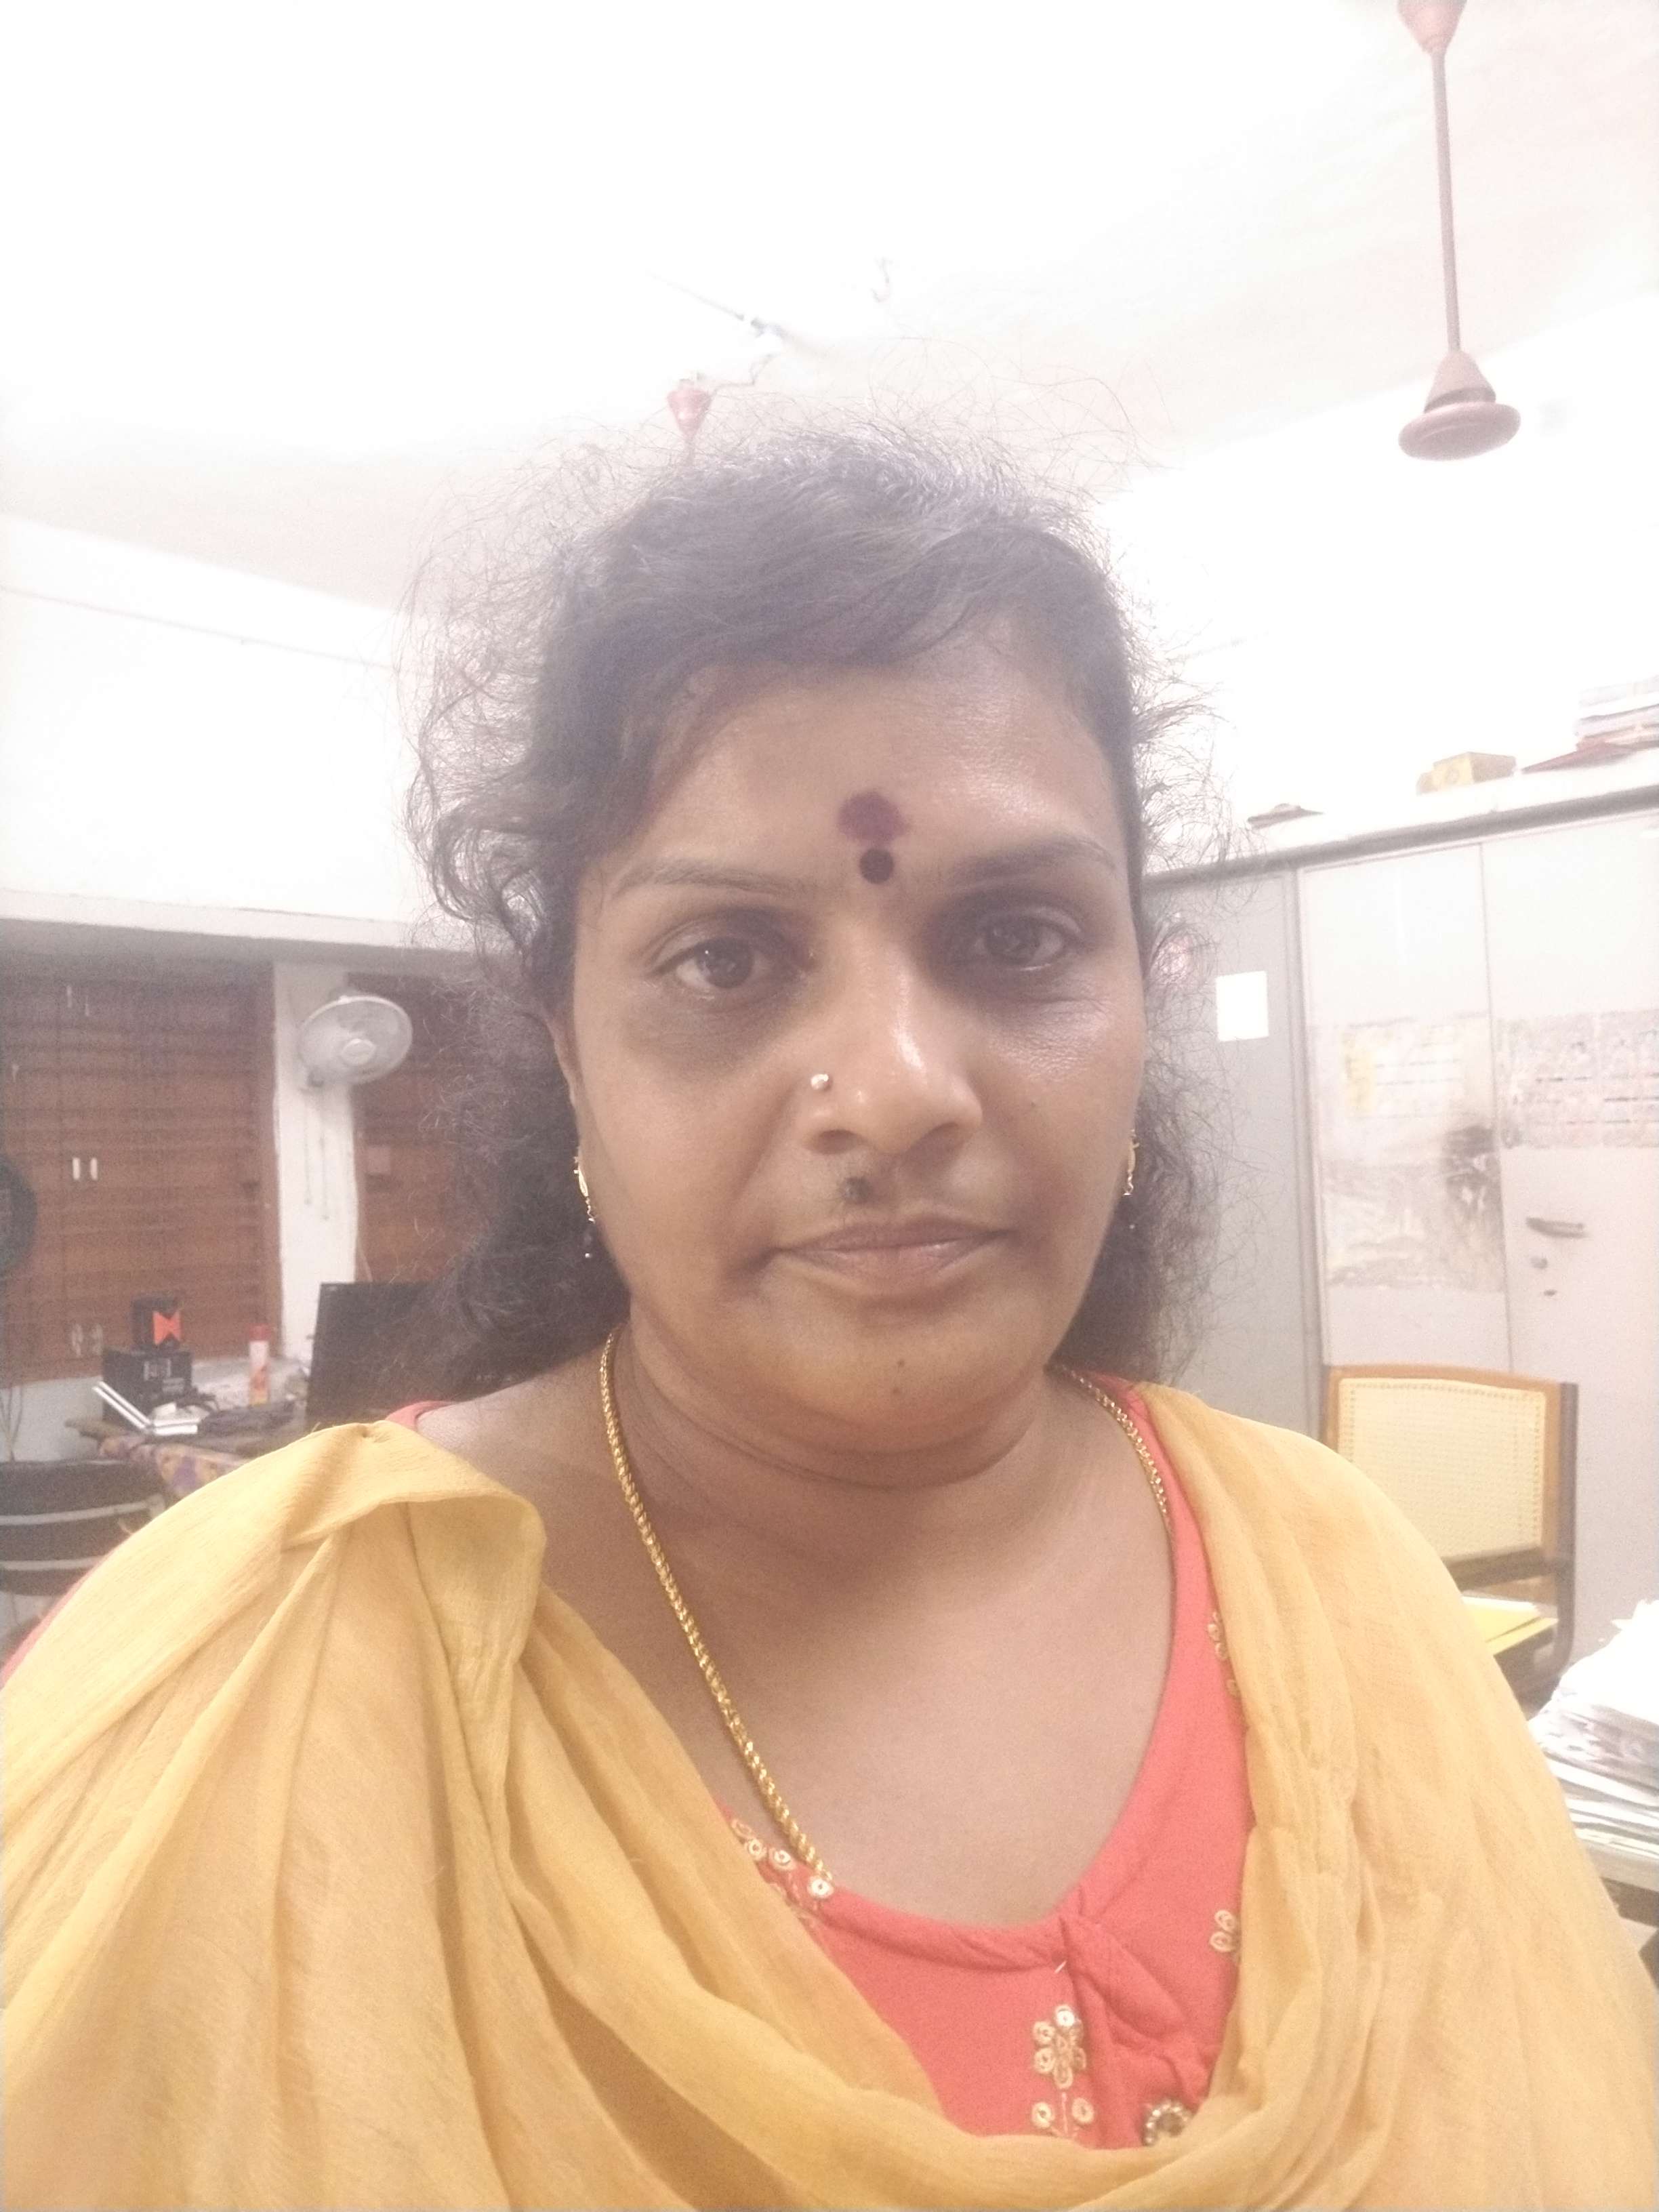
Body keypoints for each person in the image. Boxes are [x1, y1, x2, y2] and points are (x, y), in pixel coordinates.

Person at [3, 419, 1652, 2211]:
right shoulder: (256, 1681)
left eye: (1017, 938)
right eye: (725, 959)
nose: (895, 1088)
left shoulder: (1341, 1581)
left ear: (1139, 1003)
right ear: (571, 1056)